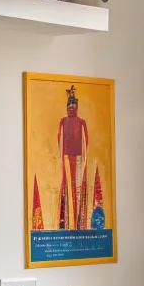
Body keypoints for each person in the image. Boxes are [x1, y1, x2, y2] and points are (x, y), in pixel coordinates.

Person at [57, 85, 89, 230]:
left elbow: (85, 140)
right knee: (67, 187)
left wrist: (82, 159)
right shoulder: (63, 121)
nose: (71, 108)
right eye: (69, 106)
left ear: (77, 107)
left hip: (78, 158)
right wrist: (62, 156)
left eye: (73, 106)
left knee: (78, 187)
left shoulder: (81, 122)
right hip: (66, 157)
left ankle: (79, 223)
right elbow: (60, 138)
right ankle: (67, 223)